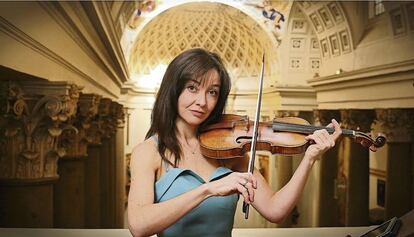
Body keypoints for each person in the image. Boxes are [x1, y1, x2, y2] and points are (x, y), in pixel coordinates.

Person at [127, 48, 342, 237]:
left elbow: (275, 211)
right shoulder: (148, 152)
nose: (202, 102)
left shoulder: (227, 150)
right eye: (192, 88)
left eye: (212, 92)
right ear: (173, 89)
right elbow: (139, 226)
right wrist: (208, 190)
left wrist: (310, 158)